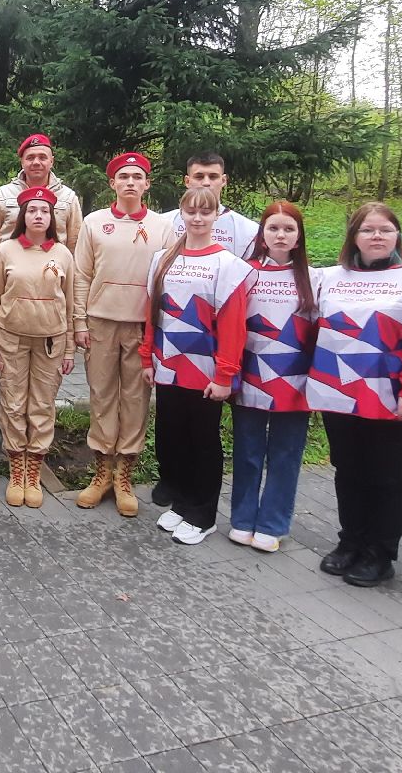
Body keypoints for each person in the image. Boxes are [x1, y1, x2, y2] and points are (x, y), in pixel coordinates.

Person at [308, 201, 402, 588]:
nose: (376, 236)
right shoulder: (329, 279)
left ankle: (380, 552)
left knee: (385, 476)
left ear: (397, 237)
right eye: (367, 230)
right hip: (340, 392)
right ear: (353, 237)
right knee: (349, 470)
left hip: (392, 397)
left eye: (384, 230)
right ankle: (350, 541)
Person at [141, 186, 252, 545]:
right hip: (168, 365)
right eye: (192, 211)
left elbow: (234, 326)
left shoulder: (228, 265)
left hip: (205, 371)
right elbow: (152, 314)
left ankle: (203, 514)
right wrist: (148, 358)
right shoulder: (163, 259)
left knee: (203, 441)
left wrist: (225, 375)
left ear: (217, 215)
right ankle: (183, 501)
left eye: (206, 212)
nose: (198, 218)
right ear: (182, 214)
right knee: (173, 437)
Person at [70, 153, 173, 517]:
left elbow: (168, 281)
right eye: (123, 176)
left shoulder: (163, 226)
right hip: (100, 321)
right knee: (102, 396)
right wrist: (79, 322)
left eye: (137, 176)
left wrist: (160, 331)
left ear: (147, 184)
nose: (130, 182)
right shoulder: (94, 223)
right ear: (112, 183)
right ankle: (101, 473)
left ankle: (124, 476)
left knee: (135, 400)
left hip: (142, 326)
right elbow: (81, 275)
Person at [227, 202, 318, 553]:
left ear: (298, 237)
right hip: (250, 374)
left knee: (286, 452)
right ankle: (243, 517)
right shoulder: (242, 273)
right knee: (248, 449)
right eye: (274, 228)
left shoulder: (315, 277)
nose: (281, 235)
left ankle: (274, 522)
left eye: (289, 229)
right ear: (261, 235)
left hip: (295, 380)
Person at [0, 186, 76, 508]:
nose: (39, 216)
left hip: (50, 341)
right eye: (33, 210)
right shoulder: (7, 251)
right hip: (11, 338)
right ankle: (16, 468)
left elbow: (70, 303)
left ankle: (34, 469)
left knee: (42, 404)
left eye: (45, 211)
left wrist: (69, 350)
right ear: (23, 216)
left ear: (52, 217)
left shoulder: (62, 254)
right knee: (13, 401)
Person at [0, 133, 82, 250]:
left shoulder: (68, 197)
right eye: (30, 158)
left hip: (53, 265)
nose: (36, 162)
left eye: (42, 157)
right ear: (22, 162)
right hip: (11, 265)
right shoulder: (3, 194)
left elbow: (76, 245)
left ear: (51, 161)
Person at [161, 151, 260, 254]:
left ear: (223, 181)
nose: (206, 183)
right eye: (199, 177)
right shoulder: (164, 223)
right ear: (187, 181)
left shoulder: (247, 230)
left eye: (213, 177)